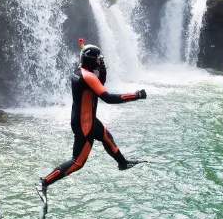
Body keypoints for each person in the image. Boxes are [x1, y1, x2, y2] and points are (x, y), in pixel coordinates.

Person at [37, 43, 147, 201]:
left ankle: (123, 163)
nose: (100, 60)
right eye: (98, 58)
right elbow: (107, 98)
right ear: (90, 60)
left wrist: (102, 71)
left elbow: (97, 85)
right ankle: (44, 182)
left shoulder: (80, 71)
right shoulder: (88, 76)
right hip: (84, 124)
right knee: (77, 162)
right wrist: (135, 95)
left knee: (106, 136)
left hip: (85, 118)